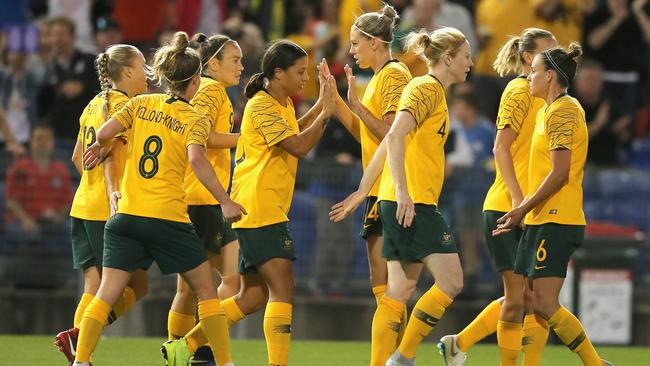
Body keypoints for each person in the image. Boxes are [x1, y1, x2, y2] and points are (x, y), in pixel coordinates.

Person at [73, 31, 246, 366]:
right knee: (207, 289)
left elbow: (106, 132)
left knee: (106, 293)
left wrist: (98, 146)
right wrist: (225, 200)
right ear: (195, 81)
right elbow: (197, 160)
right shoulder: (193, 118)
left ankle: (80, 361)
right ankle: (223, 362)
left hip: (125, 218)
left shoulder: (139, 104)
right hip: (166, 217)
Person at [163, 40, 336, 366]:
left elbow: (295, 131)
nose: (305, 78)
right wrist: (326, 114)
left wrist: (321, 105)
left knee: (252, 295)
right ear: (277, 72)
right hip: (260, 206)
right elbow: (298, 146)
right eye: (299, 72)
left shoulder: (280, 104)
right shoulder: (262, 105)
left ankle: (184, 345)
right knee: (283, 287)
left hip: (258, 206)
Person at [331, 27, 472, 366]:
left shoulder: (428, 89)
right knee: (451, 282)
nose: (471, 62)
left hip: (398, 199)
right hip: (413, 202)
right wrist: (405, 193)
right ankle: (402, 358)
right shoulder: (427, 88)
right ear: (449, 58)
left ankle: (385, 363)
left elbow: (390, 139)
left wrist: (365, 189)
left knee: (399, 292)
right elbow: (393, 137)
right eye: (466, 56)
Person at [438, 28, 557, 366]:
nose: (553, 57)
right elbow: (500, 148)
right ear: (526, 58)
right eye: (546, 51)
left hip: (532, 208)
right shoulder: (519, 92)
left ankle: (458, 343)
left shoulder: (551, 100)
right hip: (508, 205)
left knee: (533, 298)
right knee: (519, 297)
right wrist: (519, 200)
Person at [494, 43, 612, 366]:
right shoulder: (547, 111)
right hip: (542, 217)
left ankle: (595, 363)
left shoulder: (564, 111)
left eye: (533, 71)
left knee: (545, 303)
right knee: (528, 299)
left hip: (558, 217)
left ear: (549, 76)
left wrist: (521, 207)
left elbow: (561, 173)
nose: (528, 76)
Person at [53, 44, 150, 365]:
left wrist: (92, 186)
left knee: (107, 284)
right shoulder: (124, 107)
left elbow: (77, 157)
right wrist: (111, 191)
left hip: (83, 204)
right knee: (128, 284)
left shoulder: (94, 103)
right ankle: (81, 345)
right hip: (108, 208)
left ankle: (79, 347)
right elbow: (109, 154)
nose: (147, 72)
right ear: (128, 72)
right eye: (142, 65)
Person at [332, 4, 412, 354]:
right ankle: (397, 358)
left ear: (376, 42)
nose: (351, 50)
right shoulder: (380, 77)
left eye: (355, 43)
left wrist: (356, 105)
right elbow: (370, 138)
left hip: (390, 189)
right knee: (386, 287)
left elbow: (394, 135)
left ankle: (392, 359)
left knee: (391, 287)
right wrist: (338, 103)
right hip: (379, 187)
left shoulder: (394, 76)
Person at [166, 32, 243, 363]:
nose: (241, 66)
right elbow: (202, 136)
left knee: (197, 286)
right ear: (212, 64)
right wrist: (247, 139)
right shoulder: (211, 90)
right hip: (203, 198)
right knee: (226, 282)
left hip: (201, 196)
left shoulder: (214, 91)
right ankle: (191, 347)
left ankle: (185, 349)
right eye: (235, 60)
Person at [4, 124, 72, 253]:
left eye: (46, 139)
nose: (42, 143)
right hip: (23, 221)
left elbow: (67, 203)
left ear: (52, 143)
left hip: (53, 222)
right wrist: (26, 220)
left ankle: (66, 273)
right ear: (31, 142)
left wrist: (58, 218)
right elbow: (11, 201)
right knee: (29, 235)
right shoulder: (19, 168)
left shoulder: (61, 169)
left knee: (72, 233)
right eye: (39, 139)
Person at [37, 16, 99, 143]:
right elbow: (41, 100)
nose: (57, 39)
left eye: (61, 34)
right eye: (53, 35)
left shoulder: (90, 61)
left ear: (72, 36)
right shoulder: (47, 67)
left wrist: (83, 88)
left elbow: (105, 90)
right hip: (57, 135)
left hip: (87, 133)